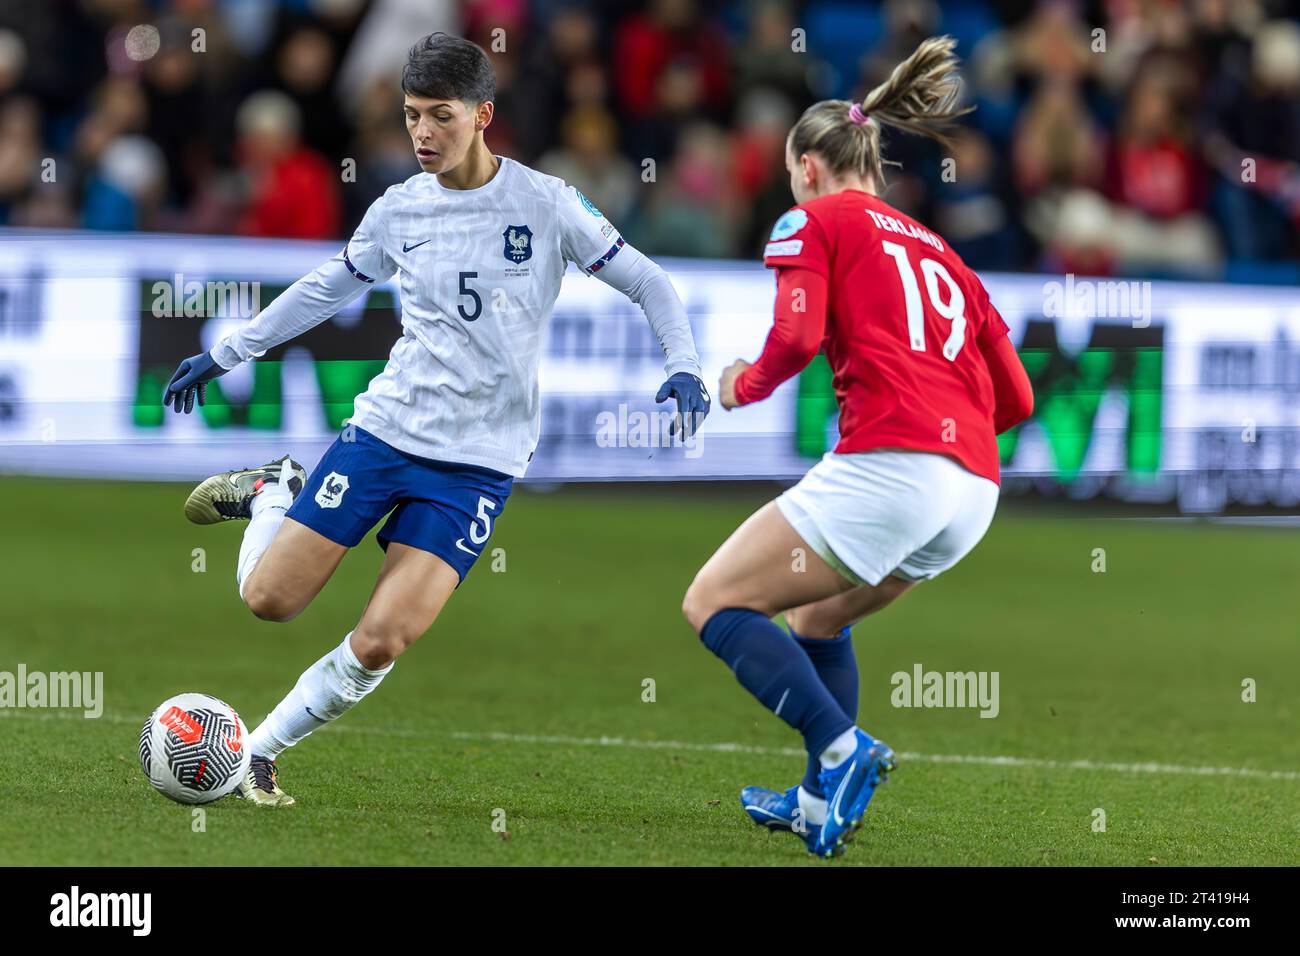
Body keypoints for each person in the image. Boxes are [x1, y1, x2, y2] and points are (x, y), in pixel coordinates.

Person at [162, 33, 709, 807]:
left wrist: (682, 364)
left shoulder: (547, 204)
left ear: (483, 114)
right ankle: (272, 493)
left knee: (383, 639)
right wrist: (229, 352)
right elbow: (326, 288)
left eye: (440, 116)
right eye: (412, 116)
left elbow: (649, 282)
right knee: (269, 601)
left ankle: (259, 750)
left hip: (479, 465)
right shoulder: (398, 210)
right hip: (387, 433)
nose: (421, 134)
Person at [681, 36, 1034, 857]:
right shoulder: (944, 251)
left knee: (715, 601)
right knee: (816, 619)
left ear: (808, 165)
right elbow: (1016, 397)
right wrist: (950, 449)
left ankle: (842, 752)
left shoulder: (813, 219)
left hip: (896, 465)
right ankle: (815, 800)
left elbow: (796, 338)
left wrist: (738, 385)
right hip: (973, 491)